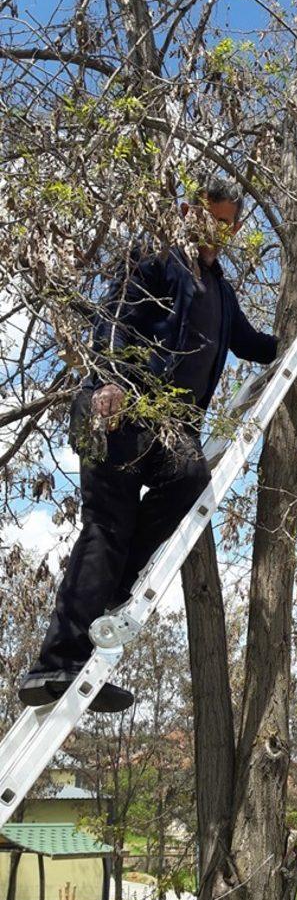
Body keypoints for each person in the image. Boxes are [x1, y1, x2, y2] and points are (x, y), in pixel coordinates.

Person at [19, 176, 277, 713]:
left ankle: (95, 611)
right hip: (122, 405)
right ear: (190, 210)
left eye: (230, 224)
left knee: (186, 481)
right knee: (107, 527)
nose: (221, 231)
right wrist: (109, 381)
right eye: (213, 217)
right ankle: (56, 664)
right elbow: (116, 314)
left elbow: (251, 344)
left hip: (168, 428)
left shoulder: (222, 294)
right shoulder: (158, 256)